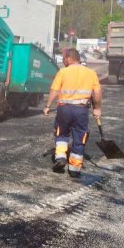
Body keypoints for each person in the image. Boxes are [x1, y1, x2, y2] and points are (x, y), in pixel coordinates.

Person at [43, 48, 102, 178]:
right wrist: (97, 108)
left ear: (70, 58)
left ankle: (60, 158)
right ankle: (74, 169)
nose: (63, 61)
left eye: (64, 59)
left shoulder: (63, 72)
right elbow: (97, 93)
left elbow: (54, 90)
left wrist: (47, 106)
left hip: (64, 109)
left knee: (61, 133)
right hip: (81, 110)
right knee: (80, 137)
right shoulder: (91, 73)